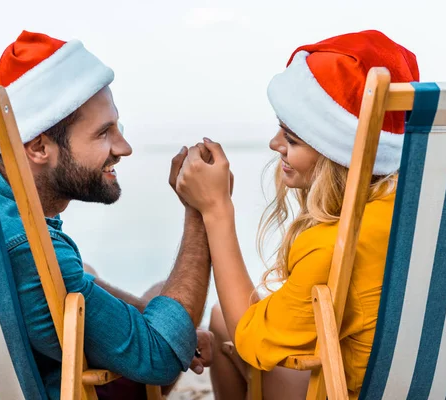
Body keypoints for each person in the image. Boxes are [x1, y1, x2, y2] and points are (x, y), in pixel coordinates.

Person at [174, 30, 420, 399]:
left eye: (292, 138)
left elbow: (250, 340)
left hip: (351, 391)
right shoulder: (420, 213)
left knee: (230, 324)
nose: (275, 145)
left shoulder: (334, 245)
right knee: (224, 319)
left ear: (336, 152)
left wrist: (215, 209)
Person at [0, 31, 213, 399]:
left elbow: (70, 279)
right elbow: (160, 357)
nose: (124, 148)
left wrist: (149, 312)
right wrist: (201, 210)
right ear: (39, 147)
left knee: (100, 281)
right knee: (163, 310)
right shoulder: (31, 249)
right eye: (104, 133)